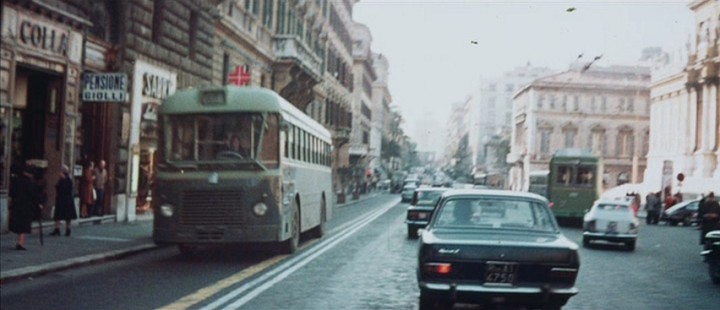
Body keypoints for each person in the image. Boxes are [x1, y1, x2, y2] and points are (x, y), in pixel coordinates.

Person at [9, 165, 43, 250]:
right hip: (26, 206)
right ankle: (21, 243)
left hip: (17, 205)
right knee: (24, 225)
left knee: (19, 223)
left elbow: (12, 193)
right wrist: (39, 203)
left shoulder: (16, 181)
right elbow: (34, 195)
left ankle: (20, 242)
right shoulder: (30, 183)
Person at [50, 165, 77, 237]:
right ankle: (57, 229)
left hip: (66, 199)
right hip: (61, 199)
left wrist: (63, 180)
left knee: (67, 216)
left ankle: (68, 229)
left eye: (61, 171)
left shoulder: (68, 179)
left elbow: (67, 189)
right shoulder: (61, 179)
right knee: (58, 215)